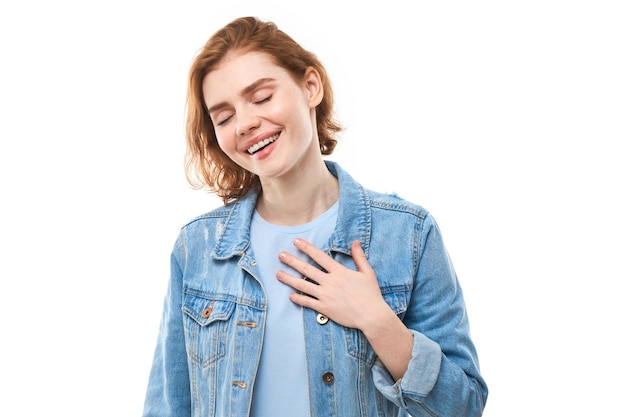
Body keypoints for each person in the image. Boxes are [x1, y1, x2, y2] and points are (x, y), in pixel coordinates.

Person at [142, 16, 488, 417]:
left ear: (310, 87)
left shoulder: (408, 235)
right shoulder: (198, 248)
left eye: (261, 97)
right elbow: (168, 406)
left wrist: (378, 322)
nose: (246, 123)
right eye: (223, 117)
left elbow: (463, 407)